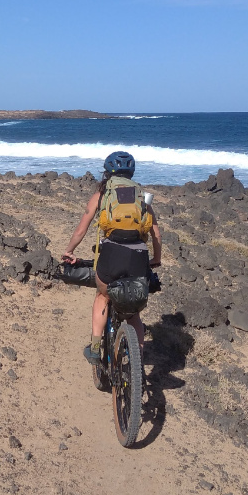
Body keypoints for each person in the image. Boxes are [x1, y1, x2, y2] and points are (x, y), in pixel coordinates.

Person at [60, 151, 161, 365]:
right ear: (131, 172)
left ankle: (95, 348)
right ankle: (138, 364)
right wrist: (156, 259)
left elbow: (81, 229)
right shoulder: (143, 196)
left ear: (107, 172)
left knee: (103, 297)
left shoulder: (102, 194)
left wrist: (69, 251)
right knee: (134, 313)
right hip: (138, 257)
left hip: (112, 255)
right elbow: (156, 234)